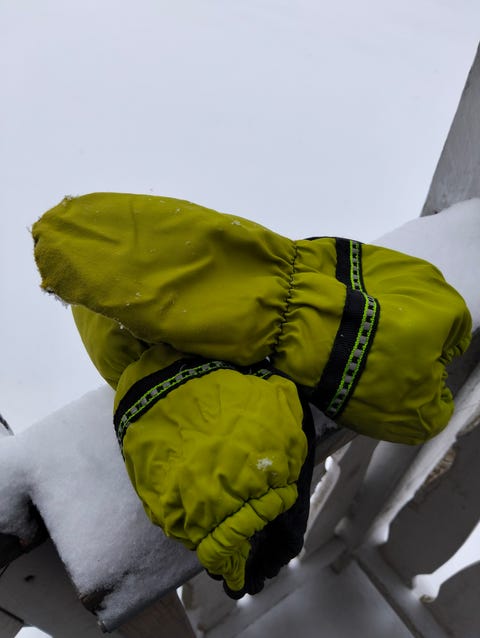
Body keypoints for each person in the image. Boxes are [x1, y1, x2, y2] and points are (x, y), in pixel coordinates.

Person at [32, 192, 472, 597]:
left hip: (245, 397)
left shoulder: (148, 367)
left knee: (140, 352)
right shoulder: (263, 302)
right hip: (394, 311)